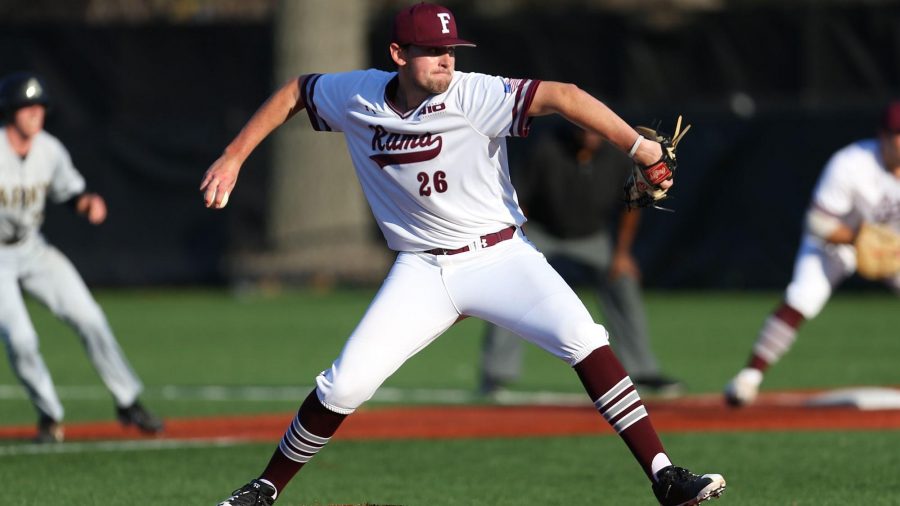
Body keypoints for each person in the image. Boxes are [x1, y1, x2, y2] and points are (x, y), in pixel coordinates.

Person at [202, 4, 725, 505]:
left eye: (451, 47)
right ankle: (264, 490)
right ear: (398, 54)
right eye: (432, 49)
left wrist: (641, 147)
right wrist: (234, 155)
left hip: (499, 257)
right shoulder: (357, 95)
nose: (447, 58)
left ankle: (664, 477)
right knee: (344, 384)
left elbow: (564, 95)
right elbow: (296, 91)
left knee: (585, 340)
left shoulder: (474, 95)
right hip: (421, 269)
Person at [0, 72, 164, 443]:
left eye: (39, 105)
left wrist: (86, 203)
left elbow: (70, 191)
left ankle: (127, 399)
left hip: (32, 248)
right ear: (10, 110)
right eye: (27, 106)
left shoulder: (49, 149)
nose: (35, 112)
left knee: (89, 317)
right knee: (22, 340)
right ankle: (50, 416)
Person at [479, 123, 682, 398]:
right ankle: (495, 373)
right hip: (542, 230)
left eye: (595, 130)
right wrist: (514, 244)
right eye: (585, 129)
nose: (590, 135)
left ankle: (643, 369)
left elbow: (631, 205)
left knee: (623, 278)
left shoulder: (616, 158)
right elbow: (520, 199)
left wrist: (622, 254)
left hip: (591, 237)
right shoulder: (547, 150)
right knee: (512, 284)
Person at [724, 101, 900, 407]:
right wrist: (861, 239)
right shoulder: (852, 163)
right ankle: (749, 378)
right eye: (899, 134)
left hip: (893, 248)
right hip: (836, 240)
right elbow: (818, 223)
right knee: (803, 296)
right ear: (883, 135)